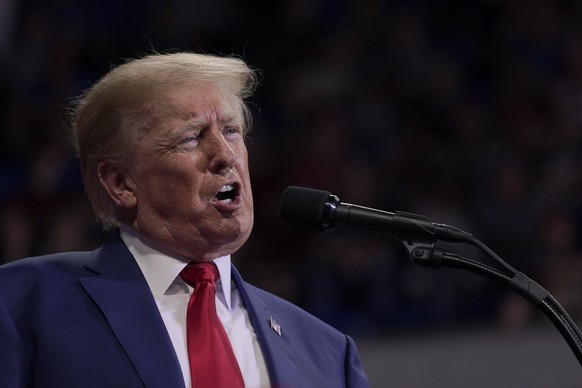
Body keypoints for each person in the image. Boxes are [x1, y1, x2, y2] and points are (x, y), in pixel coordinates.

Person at [0, 52, 370, 388]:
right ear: (119, 182)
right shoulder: (20, 304)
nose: (226, 156)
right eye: (191, 138)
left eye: (231, 131)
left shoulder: (328, 355)